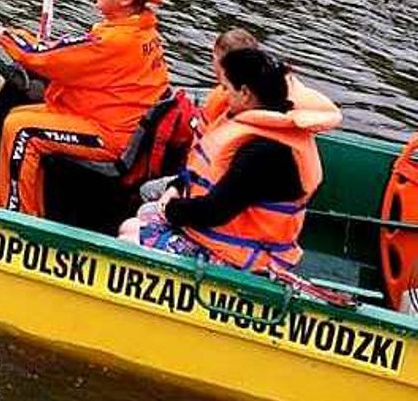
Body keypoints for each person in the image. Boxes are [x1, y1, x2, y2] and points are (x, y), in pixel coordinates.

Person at [119, 47, 341, 271]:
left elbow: (215, 211)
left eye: (227, 88)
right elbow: (205, 177)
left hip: (248, 257)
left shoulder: (266, 153)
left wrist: (170, 209)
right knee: (143, 215)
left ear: (245, 93)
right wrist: (176, 187)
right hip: (232, 234)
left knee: (130, 235)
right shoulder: (269, 125)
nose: (224, 95)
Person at [0, 0, 171, 215]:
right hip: (112, 122)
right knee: (16, 116)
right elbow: (66, 55)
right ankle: (23, 208)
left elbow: (41, 56)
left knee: (22, 131)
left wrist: (4, 35)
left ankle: (15, 219)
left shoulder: (116, 40)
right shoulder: (141, 32)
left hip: (110, 134)